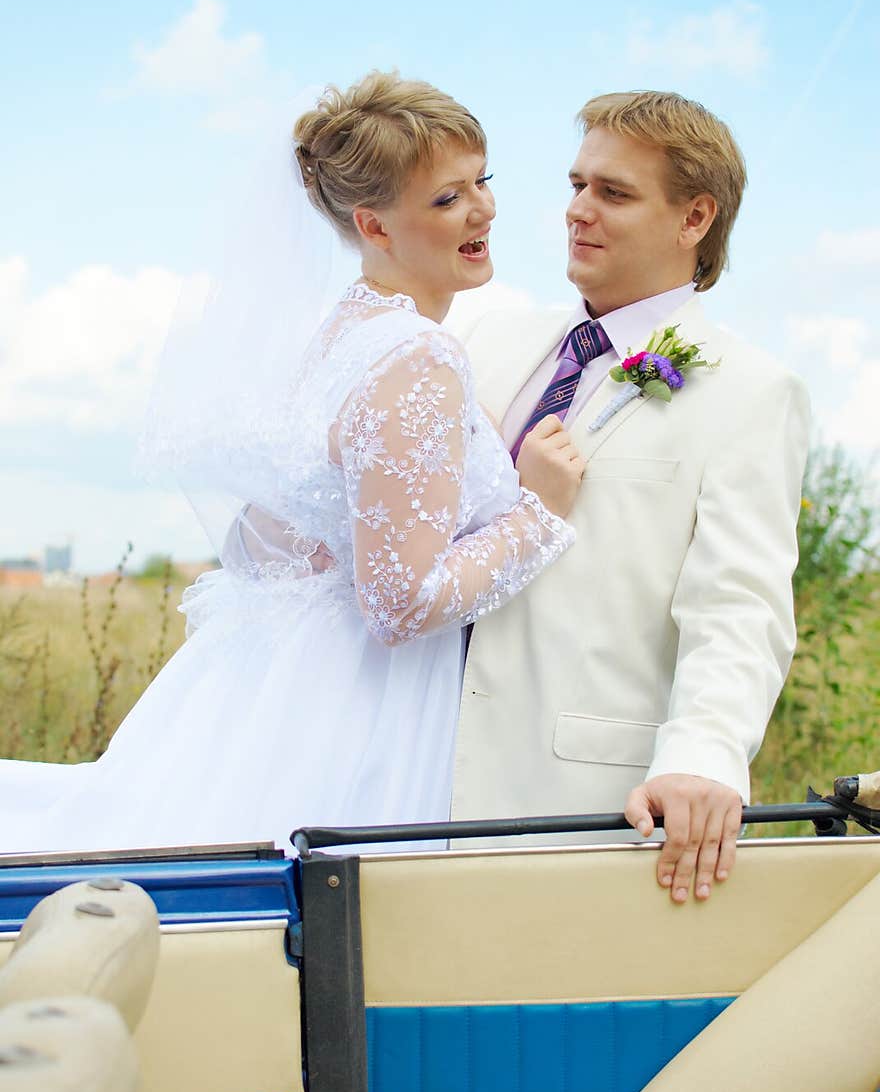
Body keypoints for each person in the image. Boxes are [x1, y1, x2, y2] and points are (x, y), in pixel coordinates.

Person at [0, 72, 580, 858]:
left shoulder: (339, 334)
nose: (483, 209)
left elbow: (260, 537)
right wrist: (537, 516)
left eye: (482, 180)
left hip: (285, 687)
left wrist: (333, 544)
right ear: (374, 225)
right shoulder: (418, 357)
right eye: (447, 199)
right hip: (362, 711)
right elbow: (400, 604)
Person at [452, 90, 811, 901]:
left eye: (613, 193)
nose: (578, 210)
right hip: (409, 777)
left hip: (579, 803)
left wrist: (703, 756)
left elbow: (739, 606)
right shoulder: (484, 341)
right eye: (577, 185)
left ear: (695, 219)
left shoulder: (752, 391)